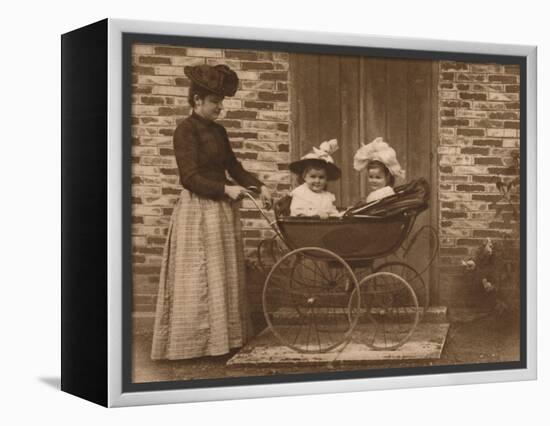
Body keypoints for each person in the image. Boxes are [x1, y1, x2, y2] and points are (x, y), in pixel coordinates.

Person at [150, 64, 272, 360]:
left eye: (221, 102)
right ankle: (195, 344)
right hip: (198, 210)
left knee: (222, 275)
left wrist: (259, 186)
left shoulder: (218, 131)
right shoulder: (185, 130)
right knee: (200, 275)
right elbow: (188, 177)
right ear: (197, 101)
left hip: (221, 210)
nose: (220, 107)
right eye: (215, 102)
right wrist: (224, 190)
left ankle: (223, 340)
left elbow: (234, 166)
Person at [289, 139, 342, 218]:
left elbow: (332, 211)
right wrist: (316, 215)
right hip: (305, 227)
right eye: (313, 177)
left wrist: (338, 215)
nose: (317, 181)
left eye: (321, 177)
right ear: (304, 177)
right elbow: (297, 212)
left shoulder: (326, 196)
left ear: (326, 178)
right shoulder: (300, 193)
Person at [353, 137, 405, 204]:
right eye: (371, 177)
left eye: (378, 177)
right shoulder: (388, 191)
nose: (373, 180)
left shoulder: (379, 195)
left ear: (388, 177)